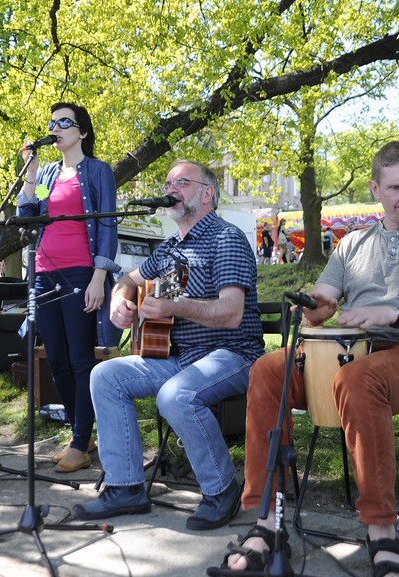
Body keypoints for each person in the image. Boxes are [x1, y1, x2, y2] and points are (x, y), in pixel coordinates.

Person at [222, 141, 399, 577]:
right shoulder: (353, 243)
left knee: (359, 378)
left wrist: (391, 313)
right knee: (267, 370)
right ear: (376, 189)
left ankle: (381, 532)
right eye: (396, 187)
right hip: (342, 353)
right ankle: (268, 519)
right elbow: (324, 299)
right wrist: (315, 309)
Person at [72, 160, 265, 530]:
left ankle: (223, 491)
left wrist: (175, 306)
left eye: (182, 183)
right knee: (105, 375)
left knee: (175, 396)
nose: (171, 189)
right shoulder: (168, 249)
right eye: (168, 183)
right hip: (180, 358)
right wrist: (119, 299)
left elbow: (232, 313)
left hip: (232, 354)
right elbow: (127, 279)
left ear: (207, 194)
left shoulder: (226, 238)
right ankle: (125, 487)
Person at [17, 102, 120, 473]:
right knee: (55, 360)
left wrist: (99, 276)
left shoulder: (97, 171)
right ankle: (82, 433)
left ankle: (80, 441)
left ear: (82, 132)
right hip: (44, 273)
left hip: (80, 273)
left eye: (65, 122)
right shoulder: (45, 172)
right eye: (52, 122)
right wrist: (29, 176)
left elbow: (107, 226)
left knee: (79, 359)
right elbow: (26, 219)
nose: (56, 127)